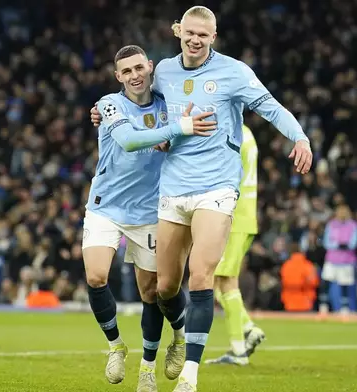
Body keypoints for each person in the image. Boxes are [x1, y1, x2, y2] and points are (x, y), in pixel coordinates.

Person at [91, 7, 312, 391]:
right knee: (165, 288)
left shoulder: (235, 72)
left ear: (214, 37)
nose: (195, 40)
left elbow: (271, 107)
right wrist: (101, 111)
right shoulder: (163, 73)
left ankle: (189, 377)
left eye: (203, 35)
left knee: (202, 275)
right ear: (179, 32)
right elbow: (137, 95)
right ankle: (178, 336)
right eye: (189, 32)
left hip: (217, 187)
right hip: (172, 188)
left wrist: (301, 137)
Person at [83, 44, 216, 391]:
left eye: (139, 68)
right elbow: (128, 141)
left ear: (150, 66)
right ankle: (115, 346)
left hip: (149, 210)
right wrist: (176, 130)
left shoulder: (167, 104)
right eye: (126, 72)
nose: (134, 76)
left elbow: (185, 134)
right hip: (106, 204)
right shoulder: (110, 104)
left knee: (154, 291)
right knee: (97, 276)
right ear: (118, 78)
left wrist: (176, 134)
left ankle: (159, 355)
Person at [205, 125, 266, 366]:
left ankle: (239, 350)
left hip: (233, 215)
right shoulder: (247, 132)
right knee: (220, 280)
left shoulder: (231, 132)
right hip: (245, 214)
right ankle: (247, 330)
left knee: (223, 279)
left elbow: (221, 174)